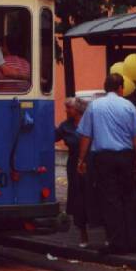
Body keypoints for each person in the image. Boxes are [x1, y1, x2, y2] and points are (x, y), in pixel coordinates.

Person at [76, 72, 136, 255]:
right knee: (128, 198)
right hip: (126, 155)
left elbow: (86, 135)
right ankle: (132, 242)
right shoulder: (129, 106)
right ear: (121, 87)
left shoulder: (94, 107)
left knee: (110, 200)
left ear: (106, 87)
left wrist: (81, 159)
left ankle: (116, 242)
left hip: (104, 158)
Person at [56, 96, 89, 247]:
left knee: (92, 196)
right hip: (73, 164)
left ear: (76, 110)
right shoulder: (65, 126)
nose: (66, 111)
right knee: (77, 198)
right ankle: (83, 234)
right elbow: (52, 136)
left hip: (90, 163)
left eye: (68, 108)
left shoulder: (89, 122)